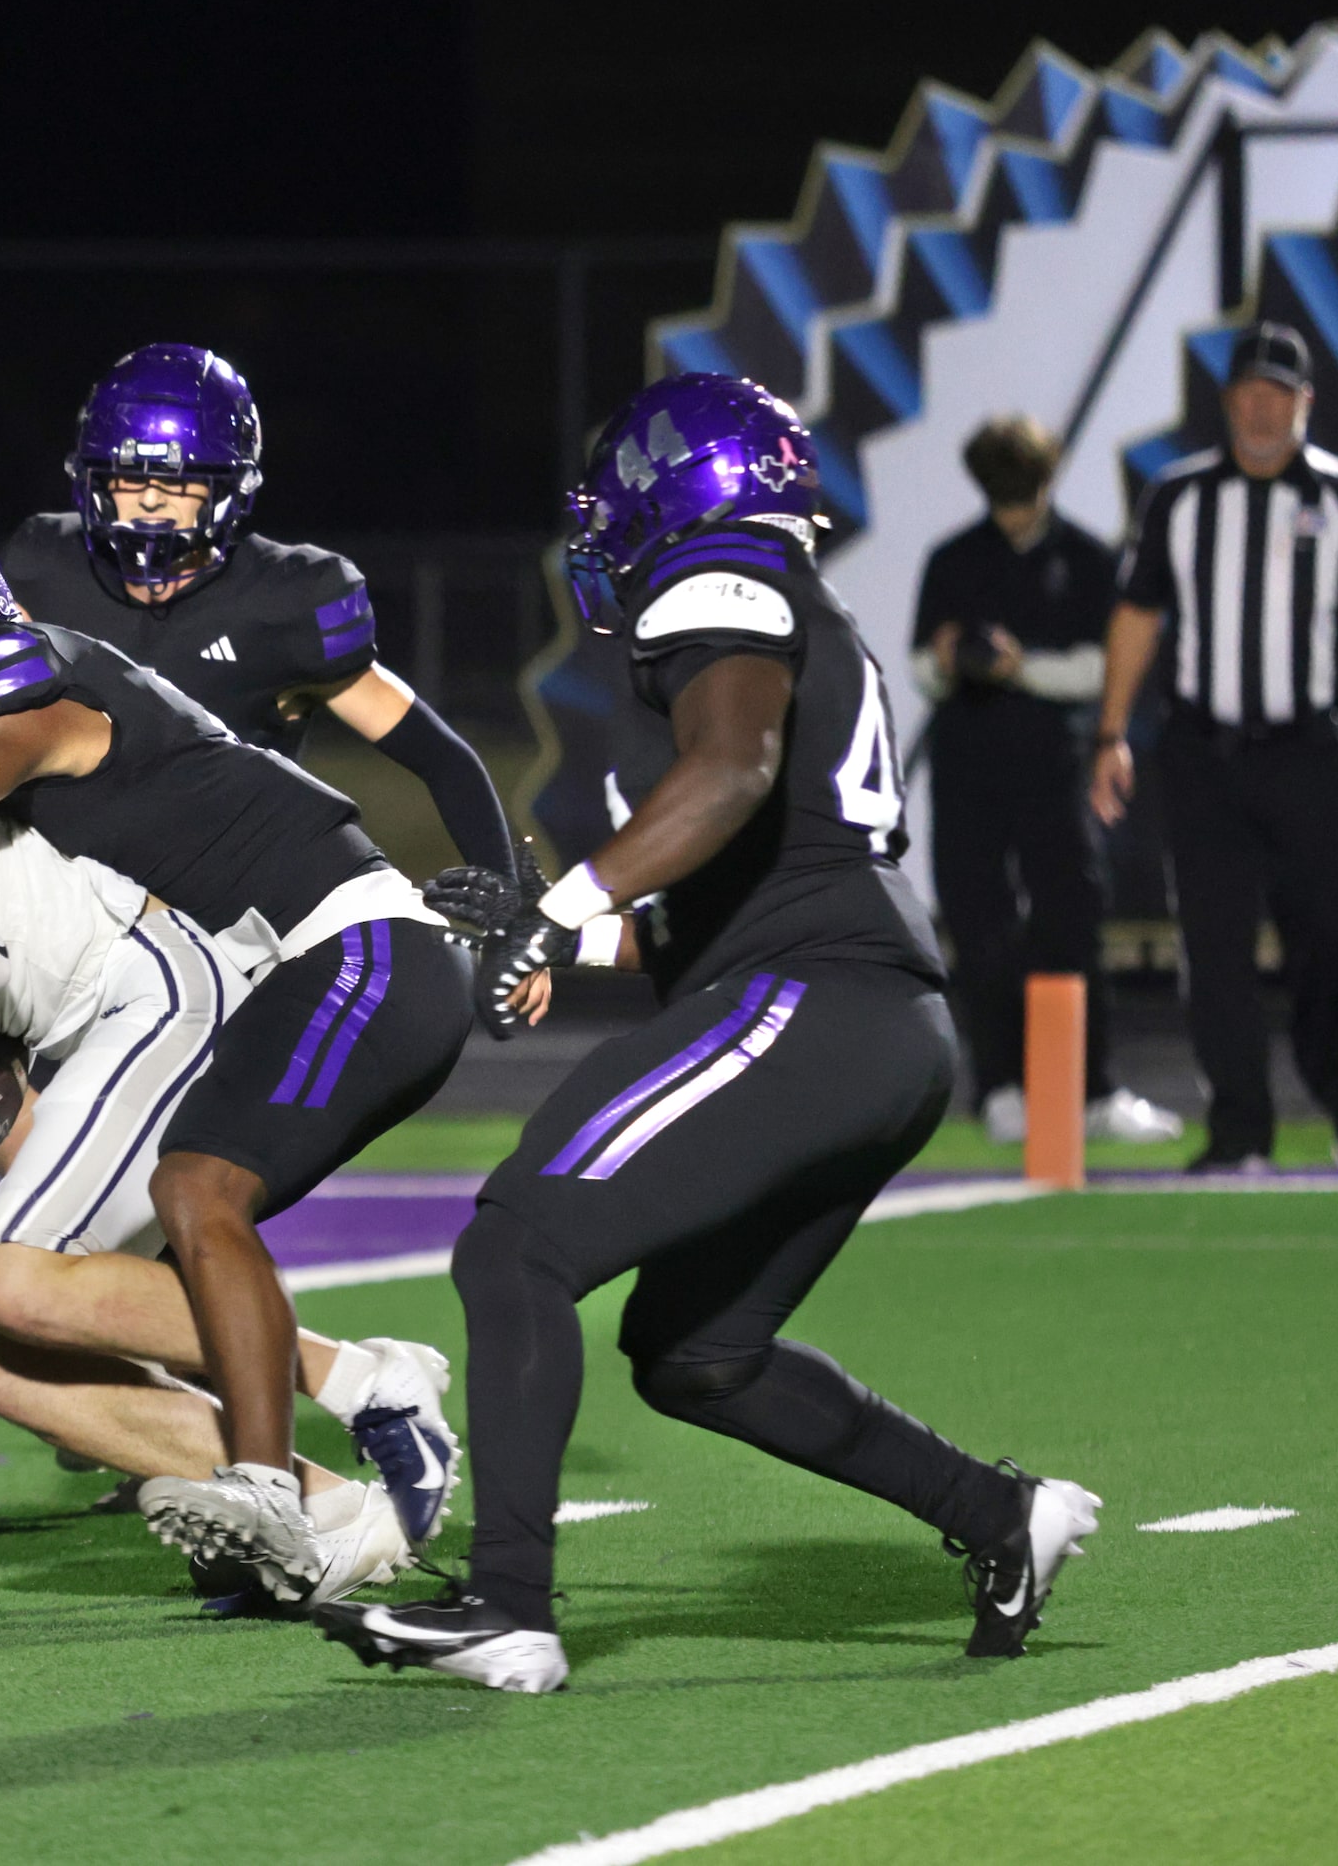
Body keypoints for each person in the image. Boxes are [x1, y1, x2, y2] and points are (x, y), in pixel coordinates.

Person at [315, 374, 1100, 1695]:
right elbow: (728, 873)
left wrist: (564, 905)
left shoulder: (723, 571)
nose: (607, 533)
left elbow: (730, 773)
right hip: (865, 1014)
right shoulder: (795, 604)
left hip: (815, 993)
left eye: (619, 504)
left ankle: (509, 1605)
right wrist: (566, 930)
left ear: (683, 493)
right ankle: (1001, 1513)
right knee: (697, 1353)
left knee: (516, 1244)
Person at [0, 521, 477, 1593]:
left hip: (354, 946)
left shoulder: (24, 692)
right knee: (6, 1344)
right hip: (260, 984)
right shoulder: (5, 730)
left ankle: (301, 1455)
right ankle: (333, 1516)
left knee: (198, 1193)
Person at [0, 797, 454, 1607]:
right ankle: (332, 1515)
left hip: (155, 981)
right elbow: (4, 1093)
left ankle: (368, 1380)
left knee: (14, 1281)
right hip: (104, 1026)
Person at [0, 343, 515, 879]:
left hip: (221, 898)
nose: (150, 499)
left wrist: (508, 903)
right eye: (129, 475)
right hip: (56, 885)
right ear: (95, 478)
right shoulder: (43, 565)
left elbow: (445, 760)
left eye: (178, 478)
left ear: (228, 483)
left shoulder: (285, 601)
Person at [1092, 322, 1338, 1173]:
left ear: (1305, 403)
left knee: (1335, 936)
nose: (1264, 408)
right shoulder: (1179, 496)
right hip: (1205, 753)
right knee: (1214, 946)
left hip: (1310, 750)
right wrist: (1111, 733)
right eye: (1250, 392)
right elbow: (1135, 617)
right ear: (1229, 401)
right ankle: (1239, 1126)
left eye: (1281, 393)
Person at [912, 414, 1181, 1146]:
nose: (1013, 501)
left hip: (1053, 766)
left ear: (1048, 477)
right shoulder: (953, 560)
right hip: (969, 768)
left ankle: (1093, 1087)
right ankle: (1000, 1086)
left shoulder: (1089, 558)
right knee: (982, 925)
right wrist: (948, 657)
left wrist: (1018, 664)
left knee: (1072, 919)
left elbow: (1101, 667)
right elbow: (922, 669)